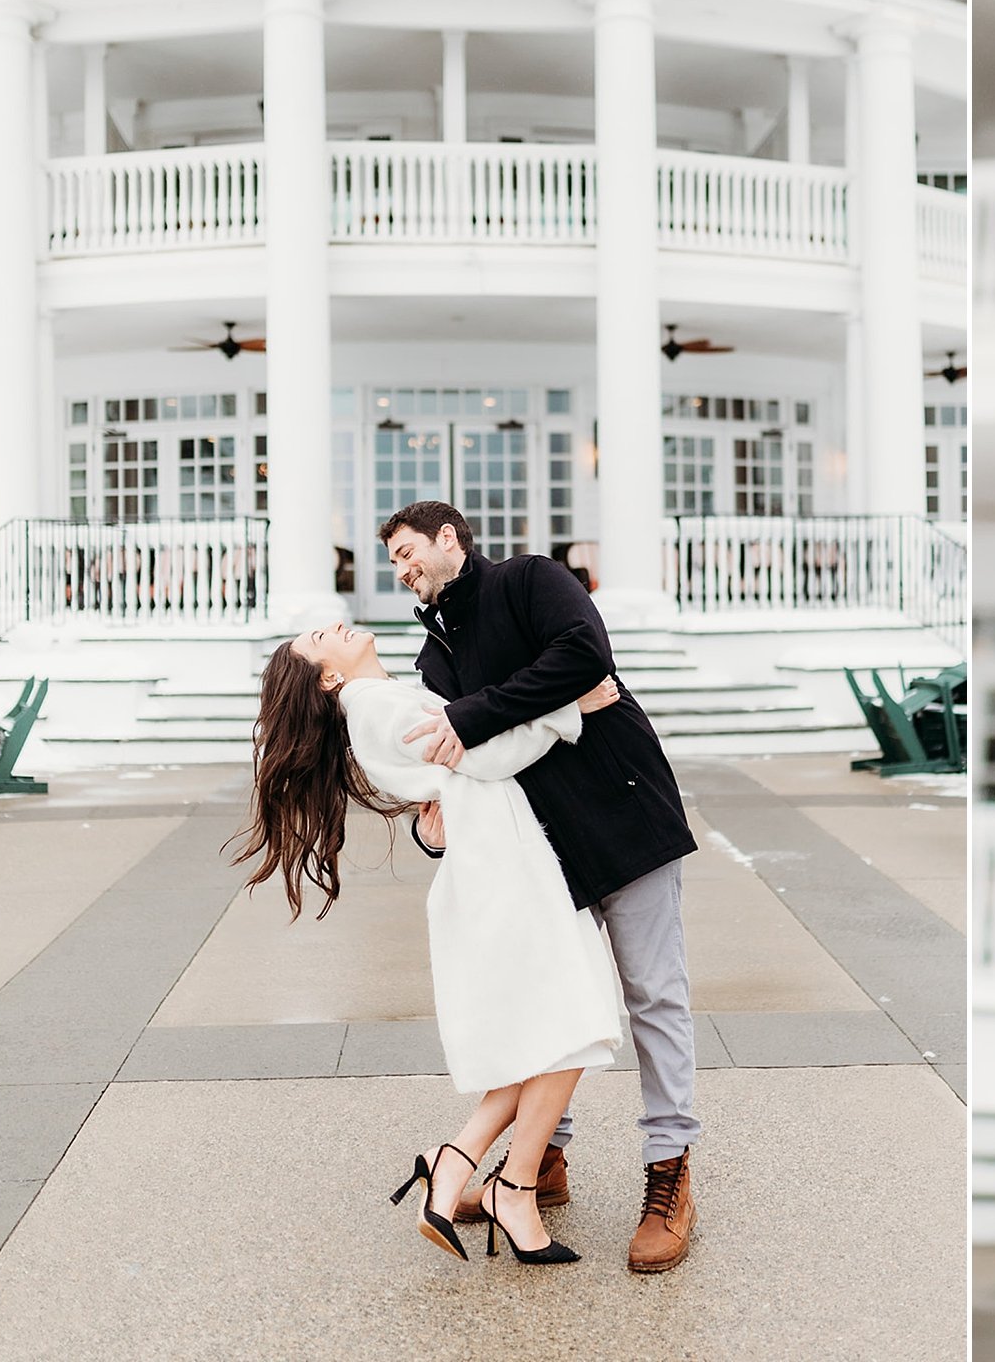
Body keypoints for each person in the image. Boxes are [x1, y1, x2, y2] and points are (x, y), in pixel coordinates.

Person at [233, 623, 627, 1265]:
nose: (331, 625)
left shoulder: (383, 703)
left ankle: (457, 1167)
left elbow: (468, 757)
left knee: (553, 1033)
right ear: (328, 677)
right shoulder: (376, 708)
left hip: (501, 863)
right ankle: (512, 1186)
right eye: (316, 639)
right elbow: (487, 755)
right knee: (575, 1023)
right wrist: (567, 708)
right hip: (503, 870)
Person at [379, 500, 703, 1274]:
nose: (401, 569)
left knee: (653, 994)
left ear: (448, 537)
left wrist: (474, 717)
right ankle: (542, 1159)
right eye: (393, 561)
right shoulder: (432, 659)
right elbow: (455, 766)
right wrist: (436, 821)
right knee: (547, 1000)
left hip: (626, 816)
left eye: (406, 551)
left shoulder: (532, 580)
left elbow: (584, 654)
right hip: (540, 848)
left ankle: (671, 1168)